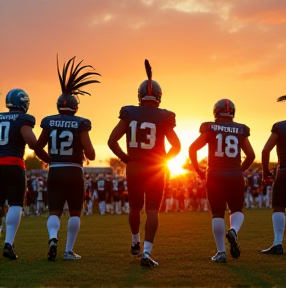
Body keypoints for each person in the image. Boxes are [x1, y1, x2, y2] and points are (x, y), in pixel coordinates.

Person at [108, 59, 181, 267]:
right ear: (159, 96)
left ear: (139, 96)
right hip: (155, 169)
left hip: (135, 167)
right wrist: (163, 159)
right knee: (152, 210)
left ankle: (134, 241)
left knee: (134, 208)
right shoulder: (163, 117)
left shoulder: (130, 113)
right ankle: (147, 254)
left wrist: (125, 158)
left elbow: (111, 141)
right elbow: (177, 146)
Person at [36, 55, 100, 261]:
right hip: (74, 171)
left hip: (55, 170)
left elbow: (37, 147)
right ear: (75, 107)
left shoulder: (49, 121)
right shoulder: (81, 123)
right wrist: (85, 151)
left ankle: (53, 238)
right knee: (74, 212)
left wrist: (49, 159)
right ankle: (68, 250)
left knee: (54, 211)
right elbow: (90, 153)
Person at [189, 99, 255, 263]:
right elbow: (251, 155)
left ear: (216, 112)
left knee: (217, 213)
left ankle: (221, 252)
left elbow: (192, 148)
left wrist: (198, 169)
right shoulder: (240, 129)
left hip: (215, 174)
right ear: (232, 112)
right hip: (234, 174)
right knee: (237, 210)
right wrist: (239, 169)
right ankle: (233, 230)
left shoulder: (210, 128)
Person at [0, 88, 49, 260]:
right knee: (15, 204)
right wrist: (47, 158)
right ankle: (8, 244)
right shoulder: (22, 119)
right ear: (24, 102)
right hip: (13, 165)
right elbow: (33, 143)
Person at [260, 94, 286, 255]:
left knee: (278, 207)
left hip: (284, 171)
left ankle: (278, 243)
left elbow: (265, 150)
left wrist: (265, 171)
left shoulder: (280, 126)